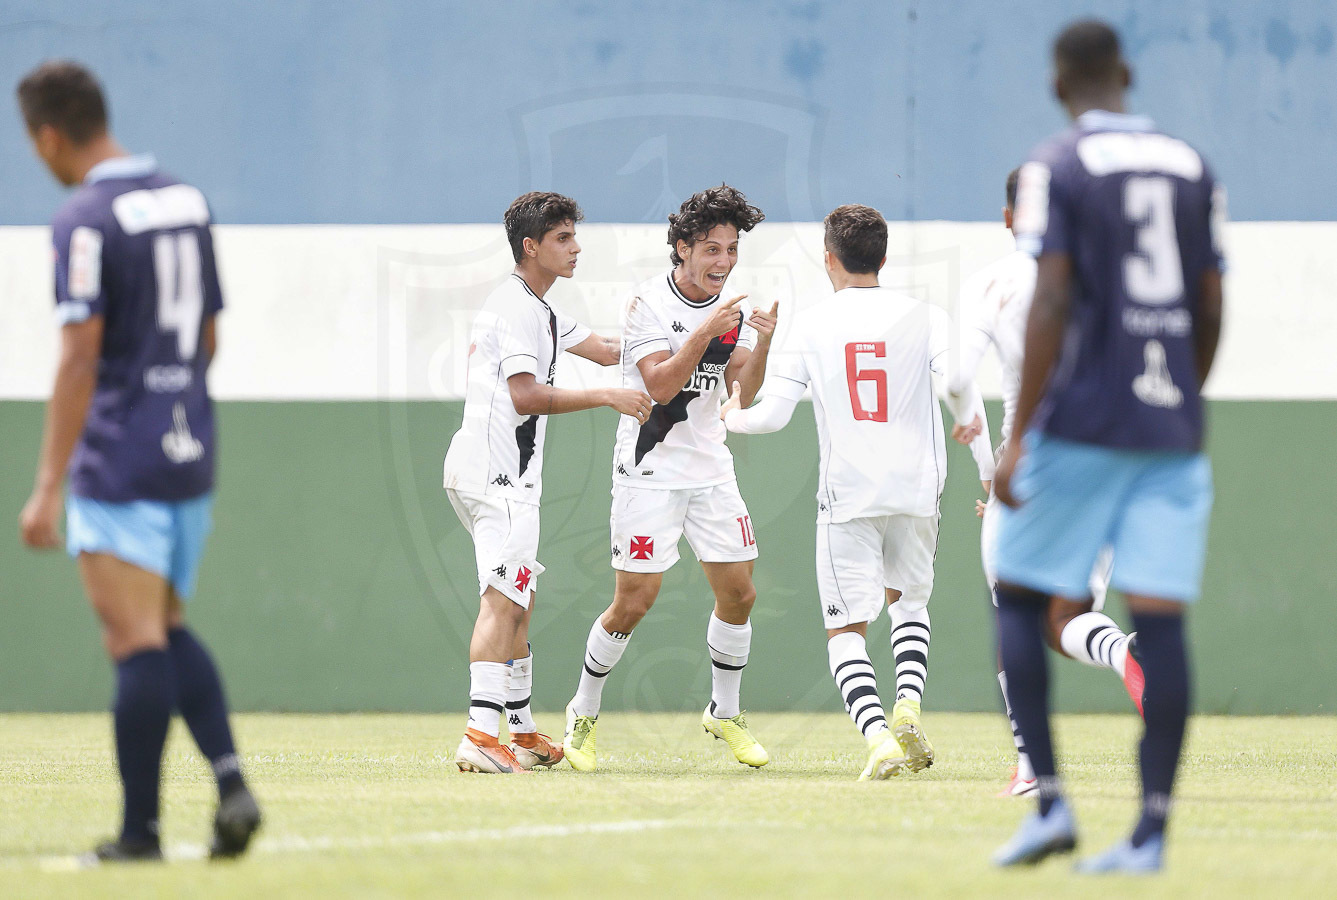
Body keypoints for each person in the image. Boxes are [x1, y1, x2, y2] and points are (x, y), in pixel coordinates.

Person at [989, 21, 1225, 872]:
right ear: (1126, 73)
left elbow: (1049, 299)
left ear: (1059, 86)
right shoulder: (1193, 165)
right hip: (1169, 429)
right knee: (1158, 622)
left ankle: (1048, 803)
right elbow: (1208, 299)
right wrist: (1183, 403)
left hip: (1080, 420)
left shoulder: (1058, 165)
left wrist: (1018, 436)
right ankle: (1151, 830)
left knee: (1018, 599)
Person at [16, 60, 261, 862]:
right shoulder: (184, 199)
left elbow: (79, 355)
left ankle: (138, 833)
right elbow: (211, 336)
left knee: (133, 641)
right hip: (190, 445)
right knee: (164, 624)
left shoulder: (83, 219)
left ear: (49, 136)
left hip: (119, 454)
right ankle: (229, 785)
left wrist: (48, 484)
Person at [721, 204, 994, 779]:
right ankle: (909, 705)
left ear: (829, 259)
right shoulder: (928, 317)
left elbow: (769, 417)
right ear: (884, 258)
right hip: (918, 490)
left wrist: (731, 416)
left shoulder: (813, 324)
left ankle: (878, 739)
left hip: (848, 496)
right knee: (910, 603)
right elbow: (960, 392)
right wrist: (988, 470)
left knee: (845, 628)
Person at [562, 185, 777, 771]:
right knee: (634, 601)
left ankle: (724, 711)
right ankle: (582, 711)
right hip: (648, 471)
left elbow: (742, 392)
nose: (724, 262)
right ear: (681, 248)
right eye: (712, 248)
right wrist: (707, 330)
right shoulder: (645, 304)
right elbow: (659, 386)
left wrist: (762, 342)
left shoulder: (730, 305)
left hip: (711, 470)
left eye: (732, 249)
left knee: (740, 593)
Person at [952, 168, 1145, 798]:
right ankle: (1122, 654)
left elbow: (956, 381)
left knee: (1019, 619)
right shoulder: (1110, 276)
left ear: (1009, 217)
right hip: (1109, 459)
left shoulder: (993, 281)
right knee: (1067, 618)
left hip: (1031, 463)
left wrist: (989, 464)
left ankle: (1031, 766)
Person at [443, 192, 652, 774]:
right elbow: (525, 395)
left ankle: (522, 730)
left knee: (520, 599)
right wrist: (608, 395)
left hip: (500, 477)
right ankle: (481, 735)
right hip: (497, 475)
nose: (576, 246)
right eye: (563, 237)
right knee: (502, 600)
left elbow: (611, 350)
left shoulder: (541, 307)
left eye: (574, 236)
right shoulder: (515, 306)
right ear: (530, 246)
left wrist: (675, 327)